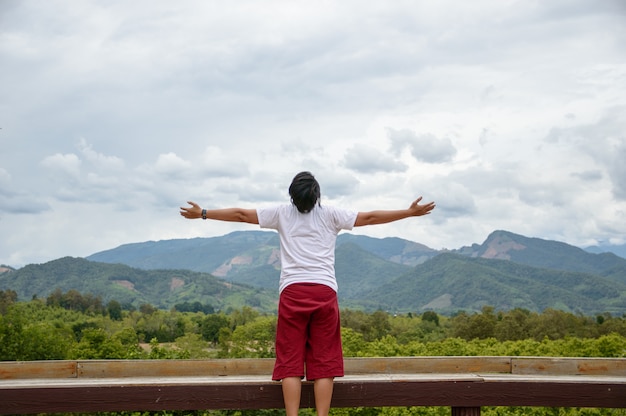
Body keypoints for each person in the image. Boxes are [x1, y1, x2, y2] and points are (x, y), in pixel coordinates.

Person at [180, 171, 435, 416]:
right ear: (317, 196)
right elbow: (369, 218)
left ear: (293, 196)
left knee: (290, 362)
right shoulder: (331, 214)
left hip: (292, 292)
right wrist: (409, 212)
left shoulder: (281, 213)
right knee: (325, 363)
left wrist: (203, 213)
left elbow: (240, 214)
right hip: (324, 293)